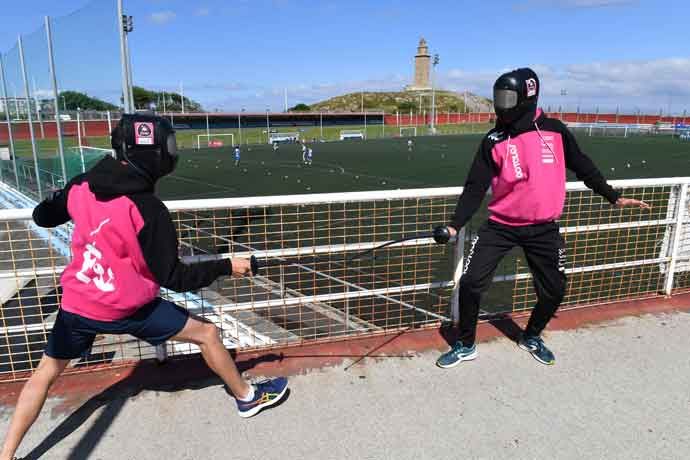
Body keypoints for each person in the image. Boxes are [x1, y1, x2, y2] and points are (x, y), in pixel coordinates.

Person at [0, 114, 288, 460]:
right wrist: (228, 265)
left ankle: (7, 454)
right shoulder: (149, 210)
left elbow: (44, 216)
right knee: (207, 335)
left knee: (45, 373)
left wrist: (58, 197)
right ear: (153, 157)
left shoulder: (82, 185)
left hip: (78, 305)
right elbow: (175, 278)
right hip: (129, 310)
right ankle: (247, 397)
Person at [434, 68, 649, 369]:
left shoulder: (555, 131)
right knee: (470, 283)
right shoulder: (493, 140)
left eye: (507, 98)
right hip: (501, 227)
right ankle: (466, 343)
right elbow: (475, 187)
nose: (501, 104)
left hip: (543, 229)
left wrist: (611, 195)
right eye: (498, 97)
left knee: (555, 289)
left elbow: (582, 165)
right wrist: (455, 225)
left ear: (527, 97)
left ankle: (531, 336)